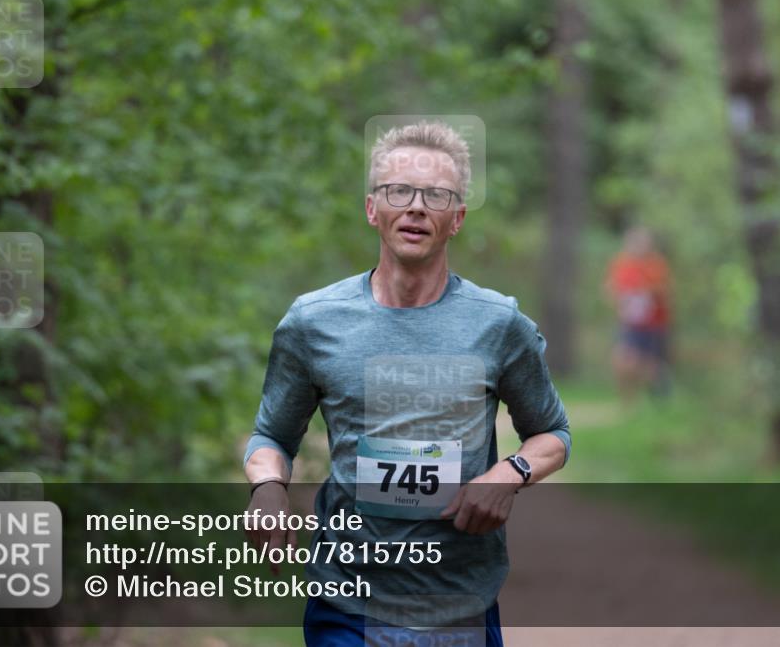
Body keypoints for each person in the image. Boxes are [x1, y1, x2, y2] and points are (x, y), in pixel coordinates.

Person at [243, 121, 571, 646]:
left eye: (436, 195)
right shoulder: (313, 322)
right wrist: (267, 488)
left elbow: (553, 433)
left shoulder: (499, 324)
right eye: (400, 191)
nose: (416, 207)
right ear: (373, 209)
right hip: (347, 600)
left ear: (456, 218)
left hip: (460, 598)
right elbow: (271, 438)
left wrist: (508, 473)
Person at [605, 226, 672, 401]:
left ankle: (660, 394)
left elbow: (665, 292)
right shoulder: (622, 264)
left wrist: (646, 291)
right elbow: (611, 288)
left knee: (650, 366)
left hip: (653, 323)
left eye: (642, 242)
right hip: (629, 323)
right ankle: (627, 402)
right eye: (634, 242)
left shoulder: (656, 265)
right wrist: (619, 300)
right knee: (622, 360)